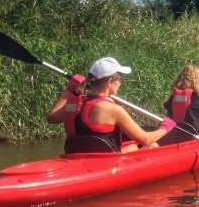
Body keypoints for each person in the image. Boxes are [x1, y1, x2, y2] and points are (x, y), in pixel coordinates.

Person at [46, 57, 176, 153]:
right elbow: (145, 139)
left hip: (77, 156)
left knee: (132, 145)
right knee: (153, 144)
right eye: (119, 79)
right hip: (106, 162)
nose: (121, 83)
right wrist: (165, 127)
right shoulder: (113, 110)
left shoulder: (78, 102)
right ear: (109, 82)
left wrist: (69, 89)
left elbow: (51, 118)